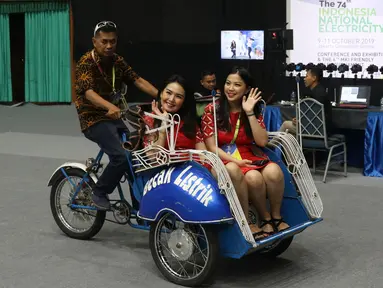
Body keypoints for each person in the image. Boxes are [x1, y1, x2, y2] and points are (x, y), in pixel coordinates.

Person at [74, 21, 158, 210]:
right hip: (93, 118)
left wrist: (162, 97)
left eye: (113, 41)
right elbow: (87, 92)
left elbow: (137, 80)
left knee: (135, 157)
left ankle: (138, 203)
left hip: (115, 116)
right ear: (94, 41)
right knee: (120, 156)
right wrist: (109, 107)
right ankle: (99, 192)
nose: (109, 46)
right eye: (104, 41)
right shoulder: (86, 62)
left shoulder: (117, 61)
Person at [202, 66, 289, 239]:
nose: (231, 88)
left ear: (247, 89)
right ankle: (264, 218)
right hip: (222, 157)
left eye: (237, 85)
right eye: (228, 83)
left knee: (274, 172)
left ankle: (276, 217)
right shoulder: (212, 110)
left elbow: (262, 141)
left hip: (248, 154)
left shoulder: (252, 108)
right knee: (253, 177)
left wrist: (249, 112)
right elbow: (211, 147)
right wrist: (237, 162)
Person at [144, 74, 205, 151]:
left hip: (192, 162)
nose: (172, 99)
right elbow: (153, 158)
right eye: (168, 93)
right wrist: (164, 126)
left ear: (184, 101)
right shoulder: (149, 119)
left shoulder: (189, 121)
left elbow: (203, 155)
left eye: (178, 96)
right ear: (161, 93)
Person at [279, 67, 332, 135]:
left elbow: (316, 116)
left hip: (318, 129)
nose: (304, 79)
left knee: (286, 125)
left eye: (307, 76)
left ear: (314, 78)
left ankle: (271, 145)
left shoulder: (319, 94)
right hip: (314, 127)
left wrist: (301, 120)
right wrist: (299, 119)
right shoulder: (318, 91)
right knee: (290, 135)